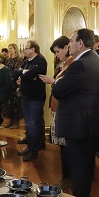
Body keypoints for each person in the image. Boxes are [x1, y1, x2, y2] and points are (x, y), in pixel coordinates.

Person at [50, 29, 99, 197]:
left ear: (80, 43)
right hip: (89, 120)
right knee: (85, 165)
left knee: (78, 167)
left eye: (72, 41)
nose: (69, 45)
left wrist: (57, 82)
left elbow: (58, 90)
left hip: (78, 123)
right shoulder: (94, 57)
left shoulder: (79, 64)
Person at [39, 36, 73, 183]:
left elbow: (68, 86)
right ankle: (65, 175)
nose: (56, 55)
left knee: (67, 146)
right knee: (62, 145)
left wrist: (53, 81)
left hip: (67, 110)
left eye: (58, 51)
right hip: (59, 108)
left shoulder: (72, 63)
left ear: (67, 48)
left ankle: (68, 176)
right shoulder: (64, 64)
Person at [14, 38, 47, 162]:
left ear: (33, 50)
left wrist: (24, 74)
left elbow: (29, 74)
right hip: (25, 95)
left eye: (26, 48)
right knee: (29, 124)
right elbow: (15, 73)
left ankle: (33, 151)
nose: (24, 50)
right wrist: (24, 73)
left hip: (35, 97)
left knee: (33, 124)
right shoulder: (26, 60)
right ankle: (30, 147)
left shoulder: (41, 60)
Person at [2, 43, 23, 128]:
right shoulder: (7, 60)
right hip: (8, 83)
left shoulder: (19, 60)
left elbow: (18, 71)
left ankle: (16, 121)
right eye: (8, 48)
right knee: (8, 103)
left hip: (15, 83)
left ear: (15, 49)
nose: (9, 50)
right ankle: (10, 120)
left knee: (16, 103)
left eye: (11, 48)